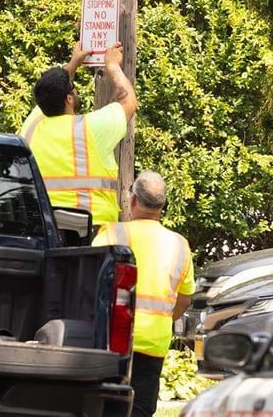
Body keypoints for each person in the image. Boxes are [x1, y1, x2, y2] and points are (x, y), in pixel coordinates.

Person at [91, 171, 195, 417]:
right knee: (140, 408)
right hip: (153, 342)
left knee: (105, 406)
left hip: (111, 338)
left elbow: (90, 280)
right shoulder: (179, 244)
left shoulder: (111, 234)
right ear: (162, 206)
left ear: (133, 200)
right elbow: (185, 298)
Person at [19, 41, 137, 227]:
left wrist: (73, 63)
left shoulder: (31, 128)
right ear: (69, 98)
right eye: (72, 87)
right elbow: (128, 101)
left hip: (46, 232)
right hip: (92, 234)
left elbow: (51, 92)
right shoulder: (90, 128)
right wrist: (113, 66)